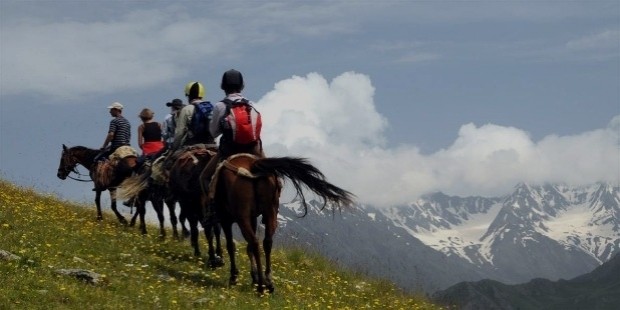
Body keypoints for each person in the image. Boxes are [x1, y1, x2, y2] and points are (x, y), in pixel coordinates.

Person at [200, 69, 265, 213]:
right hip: (253, 148)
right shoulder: (250, 104)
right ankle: (273, 204)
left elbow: (214, 132)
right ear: (242, 86)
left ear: (223, 87)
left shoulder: (220, 106)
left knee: (204, 177)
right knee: (271, 172)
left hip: (230, 149)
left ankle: (211, 210)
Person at [171, 81, 215, 150]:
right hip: (212, 144)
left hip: (194, 145)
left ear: (189, 96)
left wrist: (174, 147)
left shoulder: (186, 109)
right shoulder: (211, 107)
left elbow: (179, 133)